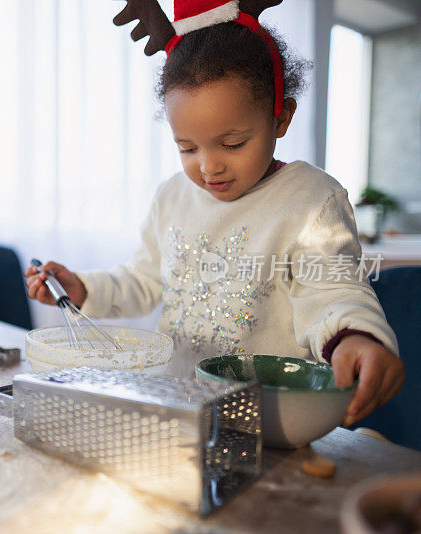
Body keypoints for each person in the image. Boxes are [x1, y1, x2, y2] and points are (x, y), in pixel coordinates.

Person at [25, 13, 404, 427]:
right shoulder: (172, 197)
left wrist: (355, 336)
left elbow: (332, 288)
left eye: (233, 143)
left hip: (265, 420)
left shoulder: (310, 200)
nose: (209, 167)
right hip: (178, 407)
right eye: (187, 148)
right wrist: (84, 288)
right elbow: (145, 280)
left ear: (281, 117)